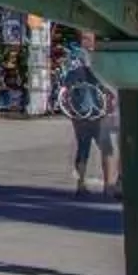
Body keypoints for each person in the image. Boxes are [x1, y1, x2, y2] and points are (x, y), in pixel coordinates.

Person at [56, 36, 118, 196]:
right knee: (107, 149)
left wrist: (70, 111)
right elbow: (109, 89)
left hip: (80, 114)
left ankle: (81, 183)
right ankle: (109, 185)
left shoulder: (74, 64)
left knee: (83, 148)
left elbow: (64, 90)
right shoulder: (99, 63)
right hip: (98, 112)